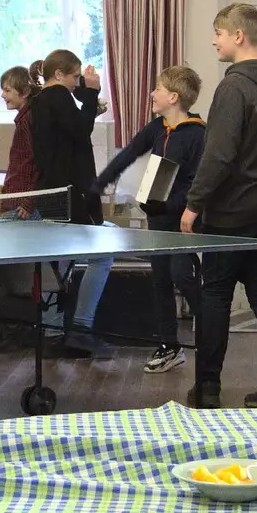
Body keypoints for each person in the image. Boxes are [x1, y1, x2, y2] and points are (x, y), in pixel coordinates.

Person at [180, 4, 257, 409]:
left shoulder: (234, 88)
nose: (213, 40)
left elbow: (219, 155)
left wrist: (194, 204)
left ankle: (208, 387)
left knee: (214, 294)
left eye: (218, 32)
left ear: (239, 36)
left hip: (231, 215)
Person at [91, 65, 206, 374]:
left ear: (174, 96)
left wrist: (176, 207)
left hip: (181, 220)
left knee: (182, 275)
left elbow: (197, 182)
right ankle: (170, 345)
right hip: (157, 219)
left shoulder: (198, 134)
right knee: (160, 280)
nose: (151, 93)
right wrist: (99, 184)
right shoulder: (156, 128)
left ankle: (211, 332)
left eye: (157, 89)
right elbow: (128, 153)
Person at [30, 48, 111, 356]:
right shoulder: (58, 96)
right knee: (102, 255)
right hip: (69, 196)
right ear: (60, 75)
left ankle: (51, 333)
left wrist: (88, 104)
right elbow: (81, 130)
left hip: (53, 194)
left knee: (58, 261)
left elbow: (72, 129)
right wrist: (91, 93)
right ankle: (80, 328)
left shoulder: (43, 102)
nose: (79, 81)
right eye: (75, 76)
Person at [0, 63, 42, 219]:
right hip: (14, 201)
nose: (3, 95)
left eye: (7, 90)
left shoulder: (27, 121)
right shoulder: (25, 119)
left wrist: (29, 201)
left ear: (25, 92)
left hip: (20, 207)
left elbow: (38, 163)